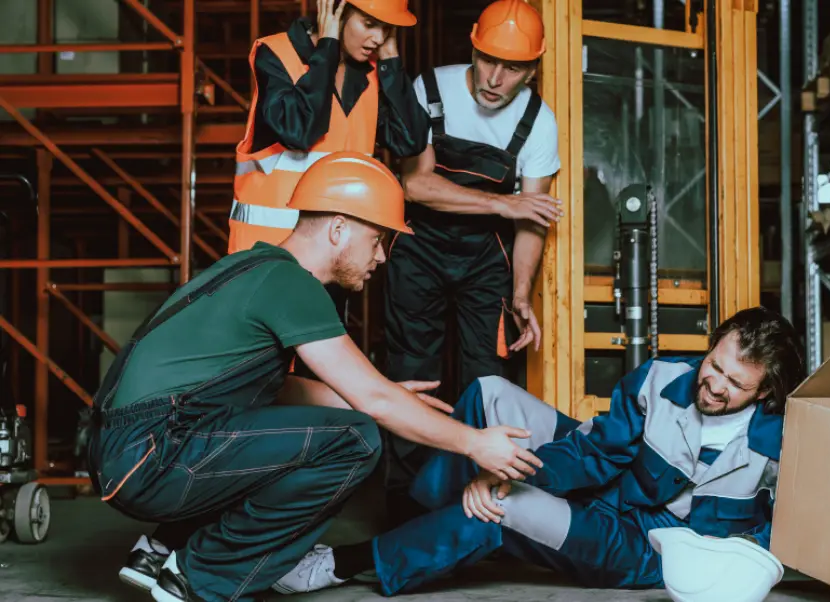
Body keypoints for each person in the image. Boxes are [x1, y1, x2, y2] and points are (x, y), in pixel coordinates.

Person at [87, 152, 544, 602]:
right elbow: (374, 406)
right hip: (151, 453)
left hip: (129, 449)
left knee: (312, 419)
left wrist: (372, 396)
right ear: (339, 228)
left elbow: (273, 389)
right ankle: (196, 579)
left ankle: (165, 550)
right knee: (357, 439)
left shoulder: (255, 270)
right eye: (378, 239)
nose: (383, 257)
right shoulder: (292, 285)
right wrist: (475, 443)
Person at [271, 306, 806, 597]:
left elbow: (779, 530)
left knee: (503, 507)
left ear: (764, 391)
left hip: (643, 549)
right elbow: (597, 451)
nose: (712, 385)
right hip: (606, 489)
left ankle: (349, 561)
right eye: (713, 364)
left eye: (734, 385)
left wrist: (502, 483)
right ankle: (426, 524)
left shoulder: (779, 446)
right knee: (489, 392)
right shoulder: (665, 377)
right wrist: (504, 466)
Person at [381, 0, 562, 525]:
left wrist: (522, 295)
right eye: (487, 60)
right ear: (474, 48)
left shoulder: (538, 121)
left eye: (511, 68)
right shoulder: (429, 90)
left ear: (532, 69)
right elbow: (415, 184)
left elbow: (532, 221)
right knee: (415, 374)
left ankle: (477, 503)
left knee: (487, 380)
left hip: (487, 260)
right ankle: (404, 507)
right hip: (417, 249)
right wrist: (503, 203)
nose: (494, 77)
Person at [228, 0, 428, 254]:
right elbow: (299, 131)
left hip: (335, 258)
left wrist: (391, 59)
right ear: (335, 11)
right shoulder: (277, 54)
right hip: (267, 253)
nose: (378, 37)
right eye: (369, 24)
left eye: (386, 28)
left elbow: (410, 141)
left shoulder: (372, 73)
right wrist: (328, 47)